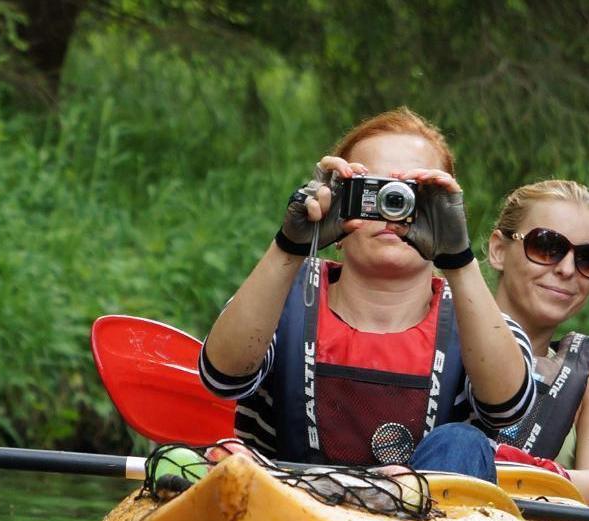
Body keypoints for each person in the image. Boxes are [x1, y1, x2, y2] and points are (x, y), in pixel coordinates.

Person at [198, 108, 534, 482]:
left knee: (462, 441)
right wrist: (291, 245)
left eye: (413, 196)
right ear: (340, 201)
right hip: (290, 519)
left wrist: (457, 257)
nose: (392, 211)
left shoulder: (481, 322)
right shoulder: (282, 295)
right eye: (373, 191)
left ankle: (397, 502)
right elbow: (222, 378)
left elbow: (507, 409)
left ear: (446, 211)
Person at [484, 180, 589, 508]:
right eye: (547, 247)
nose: (566, 269)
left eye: (588, 258)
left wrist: (491, 467)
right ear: (498, 250)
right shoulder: (435, 342)